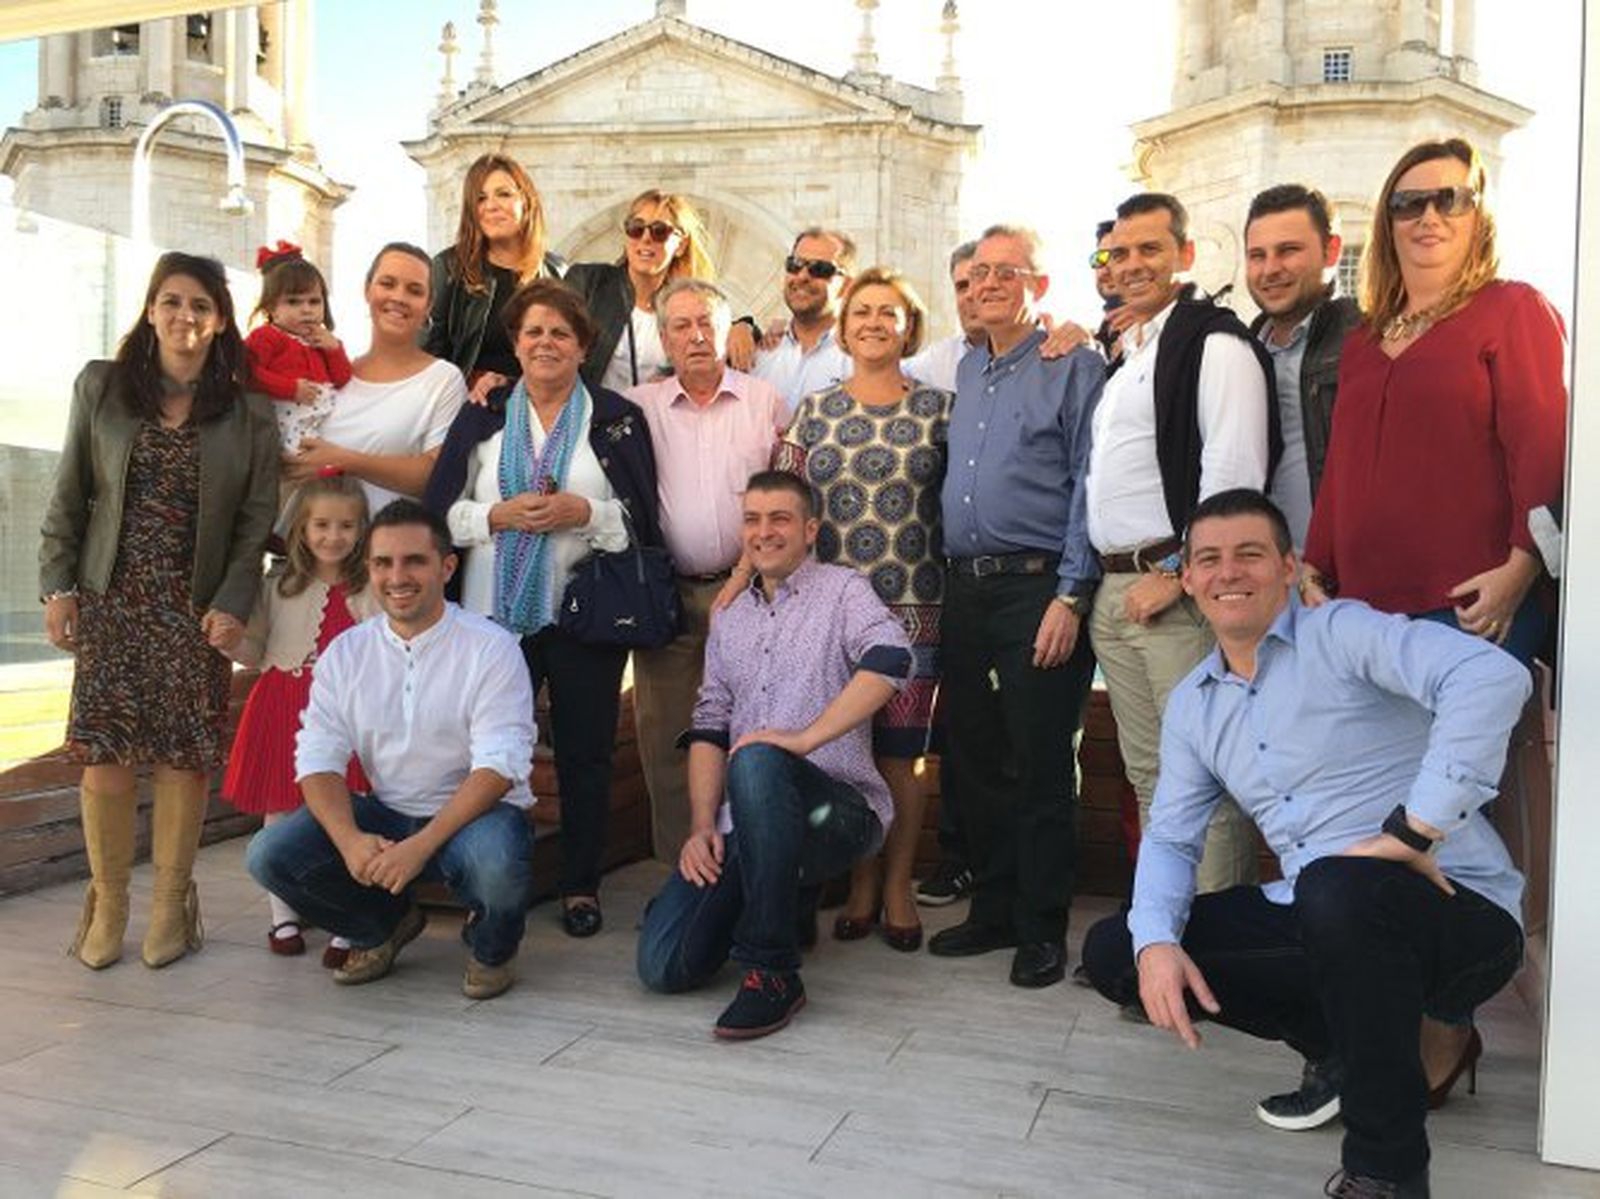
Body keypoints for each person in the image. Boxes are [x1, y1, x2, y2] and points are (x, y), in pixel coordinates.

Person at [1081, 488, 1530, 1199]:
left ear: (1288, 568)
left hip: (1458, 912)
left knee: (1334, 886)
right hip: (1326, 915)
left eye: (1250, 554)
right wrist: (1156, 943)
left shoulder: (1341, 633)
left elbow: (1490, 674)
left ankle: (1387, 1174)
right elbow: (1169, 838)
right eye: (1209, 559)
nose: (1230, 572)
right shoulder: (1197, 702)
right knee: (1119, 949)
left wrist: (1416, 825)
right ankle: (1340, 1048)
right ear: (1188, 579)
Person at [40, 250, 279, 970]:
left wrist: (234, 602)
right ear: (151, 309)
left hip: (194, 607)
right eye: (172, 301)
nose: (185, 316)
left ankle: (172, 904)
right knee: (105, 753)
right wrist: (59, 587)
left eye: (201, 306)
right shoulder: (103, 387)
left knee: (181, 756)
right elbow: (69, 491)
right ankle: (109, 900)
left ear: (220, 322)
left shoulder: (248, 412)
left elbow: (254, 521)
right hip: (112, 597)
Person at [425, 279, 663, 938]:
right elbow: (440, 514)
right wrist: (496, 515)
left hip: (583, 616)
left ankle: (579, 882)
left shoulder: (615, 417)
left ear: (584, 346)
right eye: (533, 332)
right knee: (487, 751)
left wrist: (583, 511)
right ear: (516, 343)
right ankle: (482, 879)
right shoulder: (484, 413)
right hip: (491, 619)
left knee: (586, 754)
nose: (546, 343)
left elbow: (642, 521)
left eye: (561, 332)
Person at [636, 471, 912, 1038]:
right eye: (753, 520)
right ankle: (784, 901)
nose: (764, 532)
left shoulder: (843, 591)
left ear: (810, 529)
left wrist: (803, 740)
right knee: (663, 965)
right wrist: (700, 826)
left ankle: (772, 972)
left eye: (780, 519)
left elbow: (892, 660)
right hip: (750, 818)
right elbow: (710, 724)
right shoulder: (730, 617)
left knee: (758, 758)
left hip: (837, 813)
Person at [246, 501, 537, 1000]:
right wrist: (349, 840)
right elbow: (317, 757)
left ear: (447, 567)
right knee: (270, 855)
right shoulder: (347, 652)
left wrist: (419, 848)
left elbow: (500, 765)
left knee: (497, 863)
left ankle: (492, 949)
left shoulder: (492, 647)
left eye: (413, 561)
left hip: (474, 815)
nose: (396, 576)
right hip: (387, 810)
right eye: (382, 563)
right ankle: (382, 926)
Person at [1303, 138, 1567, 668]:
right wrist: (1315, 565)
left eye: (1451, 200)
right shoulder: (1362, 340)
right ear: (1388, 221)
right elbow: (1341, 467)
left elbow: (1543, 448)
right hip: (1363, 611)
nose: (1429, 216)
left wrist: (1521, 569)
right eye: (1409, 204)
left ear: (1478, 216)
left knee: (1455, 754)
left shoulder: (1513, 308)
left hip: (1471, 606)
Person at [1085, 192, 1277, 896]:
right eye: (1118, 253)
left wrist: (1178, 571)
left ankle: (1215, 947)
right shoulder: (1131, 352)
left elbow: (1236, 472)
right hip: (1118, 590)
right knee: (1151, 776)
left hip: (1175, 587)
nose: (1131, 265)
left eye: (1149, 250)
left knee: (1203, 779)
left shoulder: (1215, 341)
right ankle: (1164, 936)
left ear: (1185, 256)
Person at [928, 224, 1103, 989]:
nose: (987, 284)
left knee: (1039, 763)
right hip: (965, 587)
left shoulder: (1073, 365)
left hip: (1039, 586)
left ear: (1037, 283)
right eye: (975, 276)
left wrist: (1070, 593)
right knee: (974, 758)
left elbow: (1090, 484)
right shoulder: (967, 366)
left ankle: (1041, 927)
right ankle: (993, 908)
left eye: (1006, 272)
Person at [775, 266, 950, 952]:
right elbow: (781, 505)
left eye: (889, 312)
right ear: (844, 328)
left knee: (901, 758)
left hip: (915, 607)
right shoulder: (815, 410)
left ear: (909, 327)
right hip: (829, 613)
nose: (874, 322)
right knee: (841, 750)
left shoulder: (941, 408)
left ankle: (899, 882)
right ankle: (860, 881)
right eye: (862, 312)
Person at [625, 279, 788, 860]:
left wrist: (745, 574)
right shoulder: (639, 407)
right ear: (665, 338)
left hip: (749, 593)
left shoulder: (764, 400)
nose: (695, 336)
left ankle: (751, 871)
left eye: (706, 324)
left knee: (752, 736)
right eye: (681, 325)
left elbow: (786, 494)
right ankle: (682, 872)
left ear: (727, 331)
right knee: (668, 739)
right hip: (666, 596)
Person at [219, 470, 376, 965]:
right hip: (283, 702)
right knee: (281, 810)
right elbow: (256, 649)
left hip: (348, 711)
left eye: (346, 526)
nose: (333, 537)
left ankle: (343, 918)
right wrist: (230, 640)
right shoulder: (279, 583)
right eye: (322, 525)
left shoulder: (372, 583)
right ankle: (282, 914)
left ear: (362, 529)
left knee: (344, 814)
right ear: (302, 529)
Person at [285, 243, 467, 516]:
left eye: (414, 290)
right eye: (387, 283)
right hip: (316, 552)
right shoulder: (329, 374)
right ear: (367, 290)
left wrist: (342, 460)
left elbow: (438, 476)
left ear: (429, 306)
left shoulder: (443, 380)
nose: (399, 297)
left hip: (391, 553)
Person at [1242, 184, 1362, 549]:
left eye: (1288, 251)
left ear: (1332, 251)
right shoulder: (1237, 351)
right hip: (1258, 581)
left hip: (1339, 577)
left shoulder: (1366, 342)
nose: (1270, 269)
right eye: (1257, 256)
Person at [425, 153, 563, 405]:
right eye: (480, 198)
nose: (491, 205)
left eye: (503, 194)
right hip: (471, 409)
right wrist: (469, 386)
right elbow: (427, 357)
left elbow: (574, 358)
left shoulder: (557, 272)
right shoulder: (448, 268)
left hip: (543, 410)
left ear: (526, 201)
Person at [563, 189, 719, 392]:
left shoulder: (686, 304)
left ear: (681, 244)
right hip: (592, 417)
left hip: (660, 420)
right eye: (636, 228)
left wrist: (744, 327)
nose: (646, 238)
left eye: (659, 231)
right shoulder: (588, 282)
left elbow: (716, 333)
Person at [244, 240, 351, 459]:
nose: (306, 310)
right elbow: (246, 371)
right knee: (296, 469)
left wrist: (334, 350)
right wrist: (290, 388)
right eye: (293, 302)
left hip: (319, 422)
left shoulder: (322, 340)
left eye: (314, 302)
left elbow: (342, 379)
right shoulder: (267, 336)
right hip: (285, 420)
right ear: (271, 307)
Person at [752, 226, 855, 413]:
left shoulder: (862, 359)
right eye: (795, 264)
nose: (802, 276)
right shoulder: (757, 354)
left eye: (820, 269)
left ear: (847, 285)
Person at [901, 240, 980, 392]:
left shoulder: (1037, 355)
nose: (971, 294)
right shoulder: (936, 363)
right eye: (962, 287)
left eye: (979, 283)